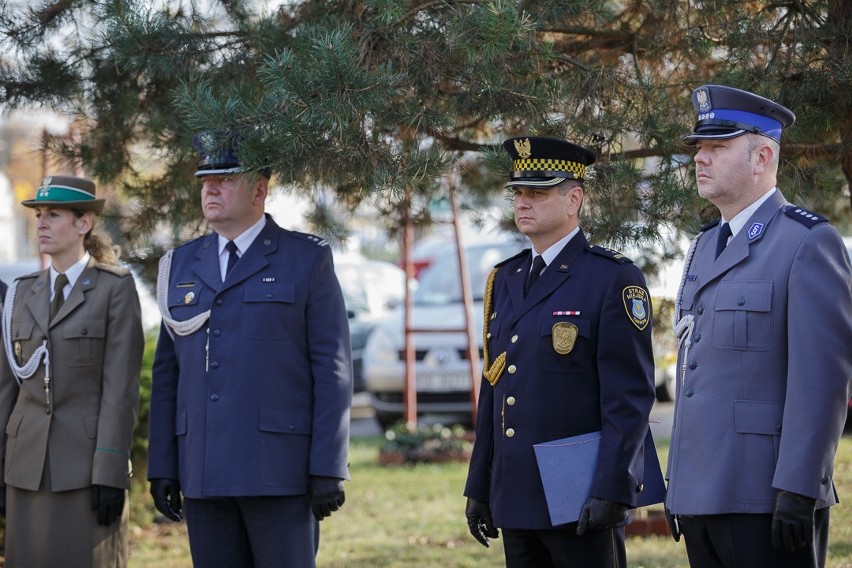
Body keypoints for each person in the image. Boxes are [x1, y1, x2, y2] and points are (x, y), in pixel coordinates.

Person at [665, 85, 852, 568]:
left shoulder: (807, 242)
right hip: (702, 494)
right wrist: (679, 486)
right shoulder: (706, 244)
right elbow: (696, 374)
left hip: (766, 496)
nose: (700, 159)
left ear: (762, 155)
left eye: (718, 146)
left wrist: (798, 486)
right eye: (699, 148)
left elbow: (821, 380)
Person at [147, 131, 353, 568]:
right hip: (202, 469)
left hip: (278, 470)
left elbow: (332, 370)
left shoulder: (304, 259)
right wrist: (163, 464)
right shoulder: (180, 264)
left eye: (224, 179)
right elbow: (168, 374)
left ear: (259, 189)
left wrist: (328, 465)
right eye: (205, 180)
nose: (210, 188)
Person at [464, 136, 660, 567]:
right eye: (518, 192)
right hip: (516, 493)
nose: (523, 202)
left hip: (579, 492)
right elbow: (496, 386)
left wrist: (613, 486)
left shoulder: (611, 278)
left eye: (537, 191)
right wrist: (480, 483)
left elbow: (628, 398)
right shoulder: (506, 278)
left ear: (574, 198)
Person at [0, 175, 144, 567]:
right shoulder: (21, 292)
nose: (41, 223)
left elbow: (120, 390)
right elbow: (6, 390)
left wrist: (111, 469)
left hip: (85, 471)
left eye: (54, 214)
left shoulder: (114, 289)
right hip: (25, 470)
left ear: (84, 224)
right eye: (39, 214)